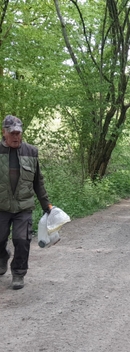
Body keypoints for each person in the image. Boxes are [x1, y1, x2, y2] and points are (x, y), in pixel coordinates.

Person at [0, 115, 52, 289]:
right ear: (4, 133)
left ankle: (18, 273)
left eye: (18, 133)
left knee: (22, 240)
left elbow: (38, 181)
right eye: (12, 133)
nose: (16, 136)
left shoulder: (31, 152)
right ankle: (2, 257)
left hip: (23, 207)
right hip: (1, 206)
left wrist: (47, 205)